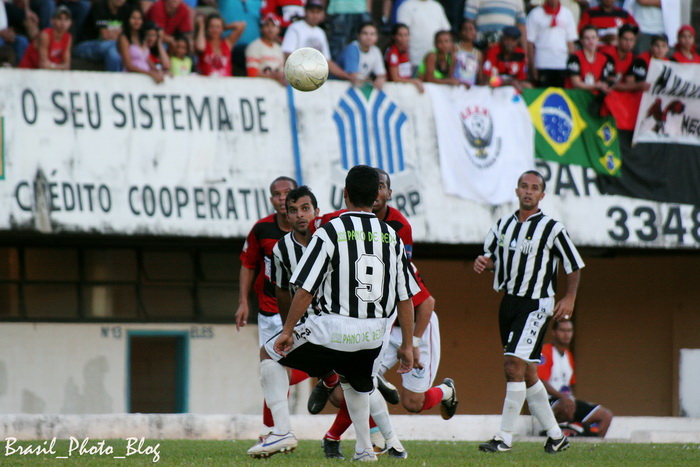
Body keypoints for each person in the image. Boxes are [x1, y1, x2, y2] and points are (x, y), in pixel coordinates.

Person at [252, 165, 418, 461]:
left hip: (334, 328)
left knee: (269, 353)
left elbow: (305, 288)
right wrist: (407, 344)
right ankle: (365, 449)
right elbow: (406, 297)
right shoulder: (392, 236)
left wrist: (287, 331)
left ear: (345, 194)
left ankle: (281, 431)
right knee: (355, 382)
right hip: (374, 335)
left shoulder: (330, 231)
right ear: (376, 195)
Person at [312, 168, 458, 459]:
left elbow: (421, 301)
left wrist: (412, 344)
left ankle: (446, 392)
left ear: (388, 193)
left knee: (412, 402)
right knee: (354, 386)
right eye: (374, 186)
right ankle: (347, 437)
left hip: (412, 326)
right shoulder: (341, 226)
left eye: (383, 186)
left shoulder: (394, 238)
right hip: (379, 324)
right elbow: (316, 224)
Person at [474, 170, 585, 454]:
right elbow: (494, 258)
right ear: (517, 190)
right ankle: (557, 436)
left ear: (542, 195)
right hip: (509, 301)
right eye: (524, 186)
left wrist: (569, 298)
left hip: (536, 303)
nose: (528, 191)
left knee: (512, 365)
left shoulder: (551, 228)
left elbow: (573, 264)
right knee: (528, 372)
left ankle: (504, 438)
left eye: (534, 188)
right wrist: (484, 263)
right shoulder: (503, 225)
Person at [538, 320, 614, 437]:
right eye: (562, 330)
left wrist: (570, 400)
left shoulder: (568, 355)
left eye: (569, 331)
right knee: (565, 407)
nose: (566, 334)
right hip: (549, 401)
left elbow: (569, 385)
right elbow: (541, 381)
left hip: (566, 400)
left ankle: (590, 444)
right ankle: (559, 433)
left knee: (606, 416)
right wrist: (564, 398)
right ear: (553, 332)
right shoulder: (546, 351)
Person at [280, 0, 352, 82]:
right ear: (305, 11)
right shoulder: (295, 28)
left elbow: (327, 61)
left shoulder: (320, 32)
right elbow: (288, 54)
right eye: (312, 12)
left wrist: (347, 76)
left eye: (318, 12)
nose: (315, 15)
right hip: (297, 77)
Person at [526, 0, 578, 88]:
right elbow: (530, 42)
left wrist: (571, 65)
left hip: (562, 63)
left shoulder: (567, 14)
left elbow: (570, 42)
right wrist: (531, 65)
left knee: (560, 94)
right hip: (542, 63)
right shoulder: (535, 14)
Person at [73, 0, 130, 72]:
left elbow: (126, 35)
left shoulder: (126, 9)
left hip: (111, 47)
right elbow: (105, 36)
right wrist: (119, 36)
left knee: (113, 53)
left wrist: (117, 36)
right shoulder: (100, 7)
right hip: (86, 45)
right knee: (112, 47)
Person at [396, 0, 450, 70]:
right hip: (414, 61)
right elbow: (401, 34)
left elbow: (446, 32)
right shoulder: (406, 6)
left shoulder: (437, 6)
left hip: (437, 63)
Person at [118, 8, 165, 83]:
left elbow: (147, 60)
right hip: (131, 79)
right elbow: (129, 66)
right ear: (128, 19)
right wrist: (150, 74)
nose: (137, 21)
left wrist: (159, 72)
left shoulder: (142, 38)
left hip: (145, 78)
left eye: (139, 18)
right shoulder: (124, 38)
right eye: (133, 18)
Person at [18, 5, 72, 69]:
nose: (63, 23)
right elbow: (43, 65)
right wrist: (59, 67)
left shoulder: (68, 37)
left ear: (70, 22)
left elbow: (67, 66)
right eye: (59, 18)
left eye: (66, 19)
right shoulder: (45, 35)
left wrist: (52, 66)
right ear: (52, 21)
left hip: (49, 72)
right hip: (28, 70)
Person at [565, 25, 614, 92]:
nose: (591, 41)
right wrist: (596, 86)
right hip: (576, 95)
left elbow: (607, 80)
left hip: (595, 95)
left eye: (593, 37)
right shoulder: (574, 58)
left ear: (597, 39)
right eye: (587, 38)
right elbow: (576, 84)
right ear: (581, 41)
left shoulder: (604, 58)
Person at [338, 21, 386, 89]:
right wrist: (371, 80)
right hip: (339, 87)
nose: (369, 37)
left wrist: (380, 78)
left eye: (372, 34)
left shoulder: (376, 50)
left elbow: (381, 74)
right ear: (358, 35)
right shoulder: (352, 48)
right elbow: (353, 75)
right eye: (365, 33)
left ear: (377, 37)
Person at [462, 0, 527, 50]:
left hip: (507, 50)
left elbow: (521, 26)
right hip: (482, 48)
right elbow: (469, 23)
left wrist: (525, 53)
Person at [482, 25, 530, 91]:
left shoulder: (521, 54)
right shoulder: (493, 52)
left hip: (513, 83)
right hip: (495, 84)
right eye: (507, 39)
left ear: (517, 42)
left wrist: (513, 83)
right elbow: (487, 78)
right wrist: (507, 83)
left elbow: (521, 78)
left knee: (528, 86)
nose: (509, 42)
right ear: (502, 39)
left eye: (513, 40)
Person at [245, 12, 285, 85]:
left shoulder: (279, 49)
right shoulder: (254, 46)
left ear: (279, 30)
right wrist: (274, 76)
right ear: (261, 29)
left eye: (273, 25)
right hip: (259, 86)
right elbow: (252, 73)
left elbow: (282, 73)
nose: (270, 29)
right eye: (267, 25)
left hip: (277, 87)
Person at [384, 23, 424, 92]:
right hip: (395, 89)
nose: (403, 38)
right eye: (400, 35)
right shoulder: (393, 53)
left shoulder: (406, 49)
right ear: (394, 36)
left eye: (406, 35)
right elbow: (395, 78)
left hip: (405, 86)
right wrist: (415, 82)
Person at [453, 19, 482, 88]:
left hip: (470, 88)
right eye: (465, 29)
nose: (468, 31)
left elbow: (479, 74)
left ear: (476, 33)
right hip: (455, 86)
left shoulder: (478, 53)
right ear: (460, 32)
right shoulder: (455, 48)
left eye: (471, 29)